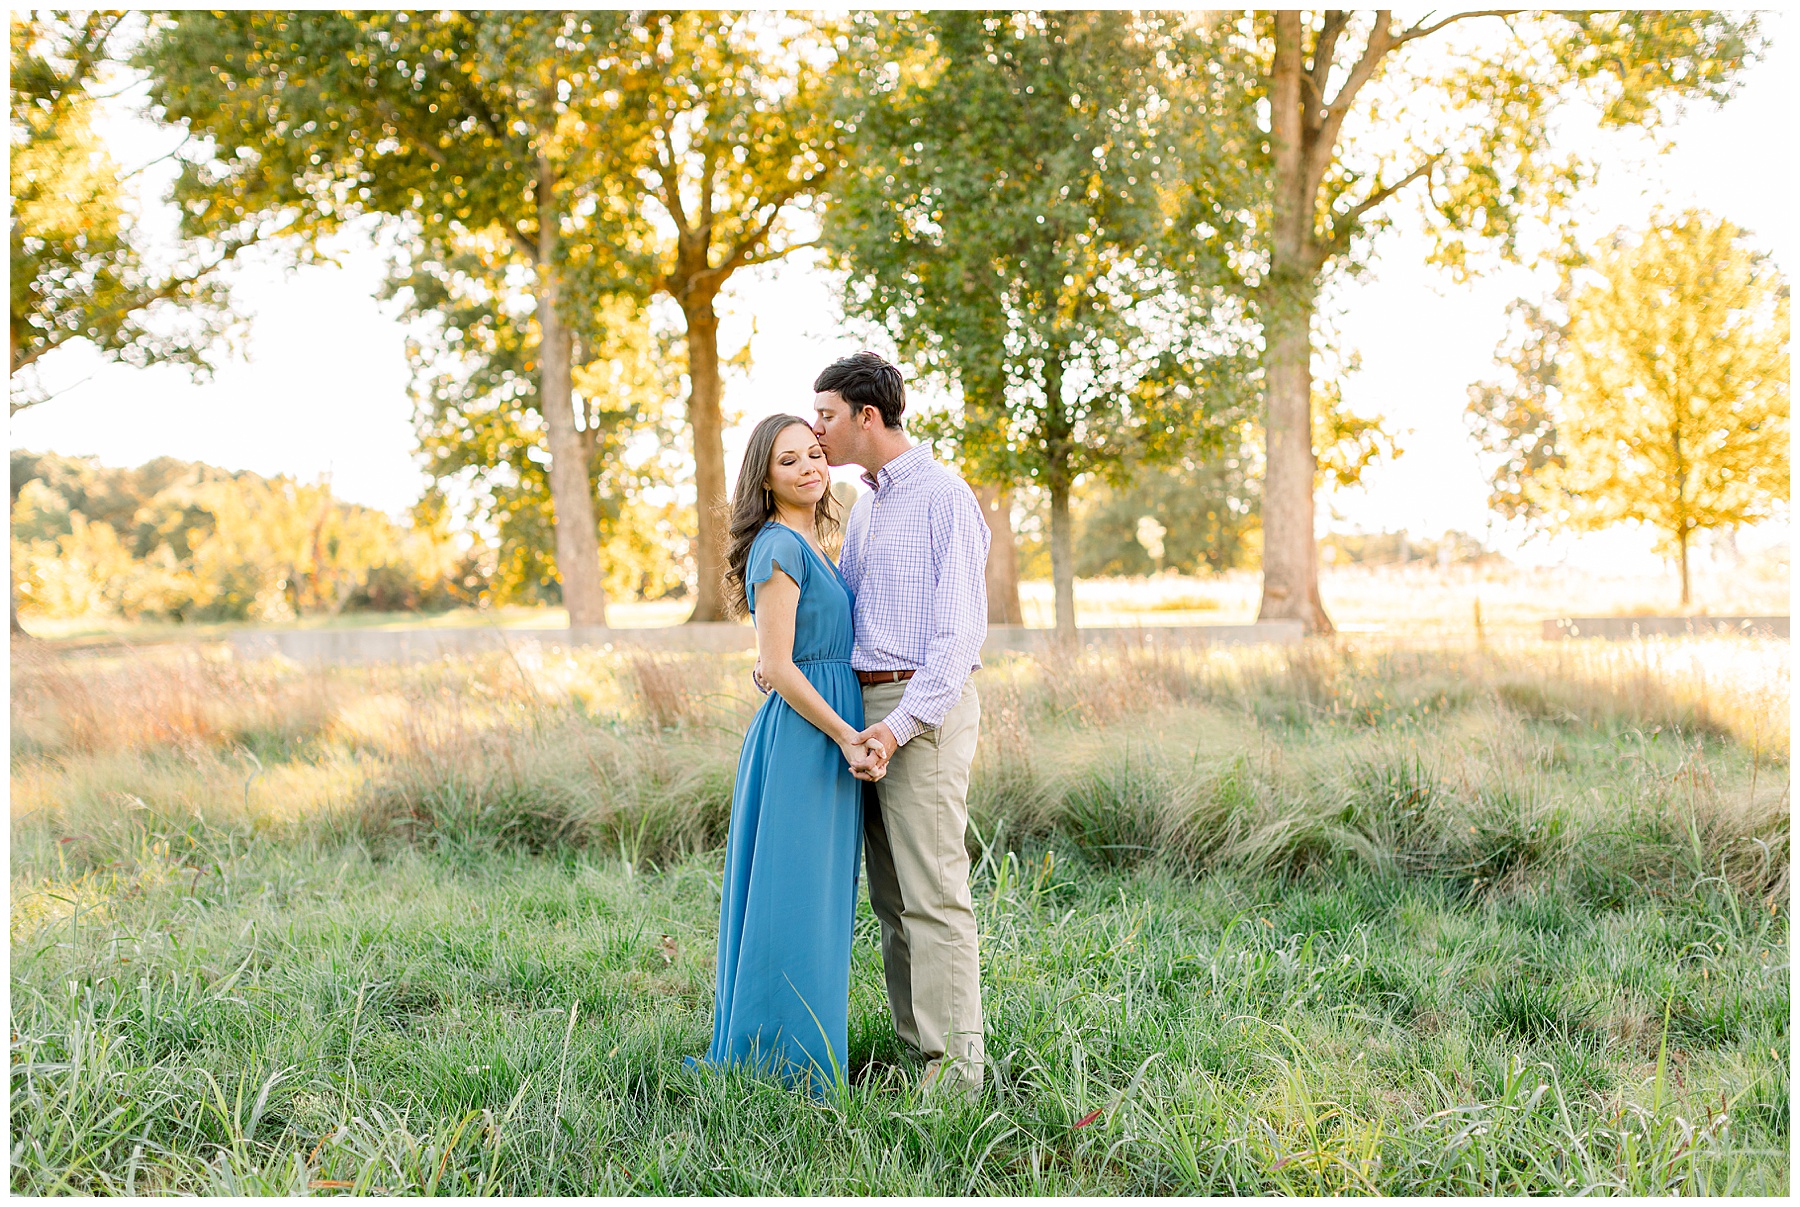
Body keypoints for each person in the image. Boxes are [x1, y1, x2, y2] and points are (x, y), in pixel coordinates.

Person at [812, 351, 992, 1102]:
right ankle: (919, 1053)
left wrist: (899, 727)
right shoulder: (868, 503)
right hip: (864, 710)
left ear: (867, 416)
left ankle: (957, 1080)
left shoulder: (944, 497)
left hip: (923, 709)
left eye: (825, 415)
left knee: (934, 896)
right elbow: (851, 611)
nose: (816, 430)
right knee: (891, 899)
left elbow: (958, 637)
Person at [689, 414, 888, 1095]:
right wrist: (845, 734)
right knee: (793, 898)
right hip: (805, 743)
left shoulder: (814, 543)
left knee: (818, 900)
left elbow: (791, 651)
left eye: (813, 454)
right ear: (766, 479)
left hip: (824, 735)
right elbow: (776, 664)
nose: (808, 468)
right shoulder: (778, 545)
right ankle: (777, 1063)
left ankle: (801, 1051)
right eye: (788, 460)